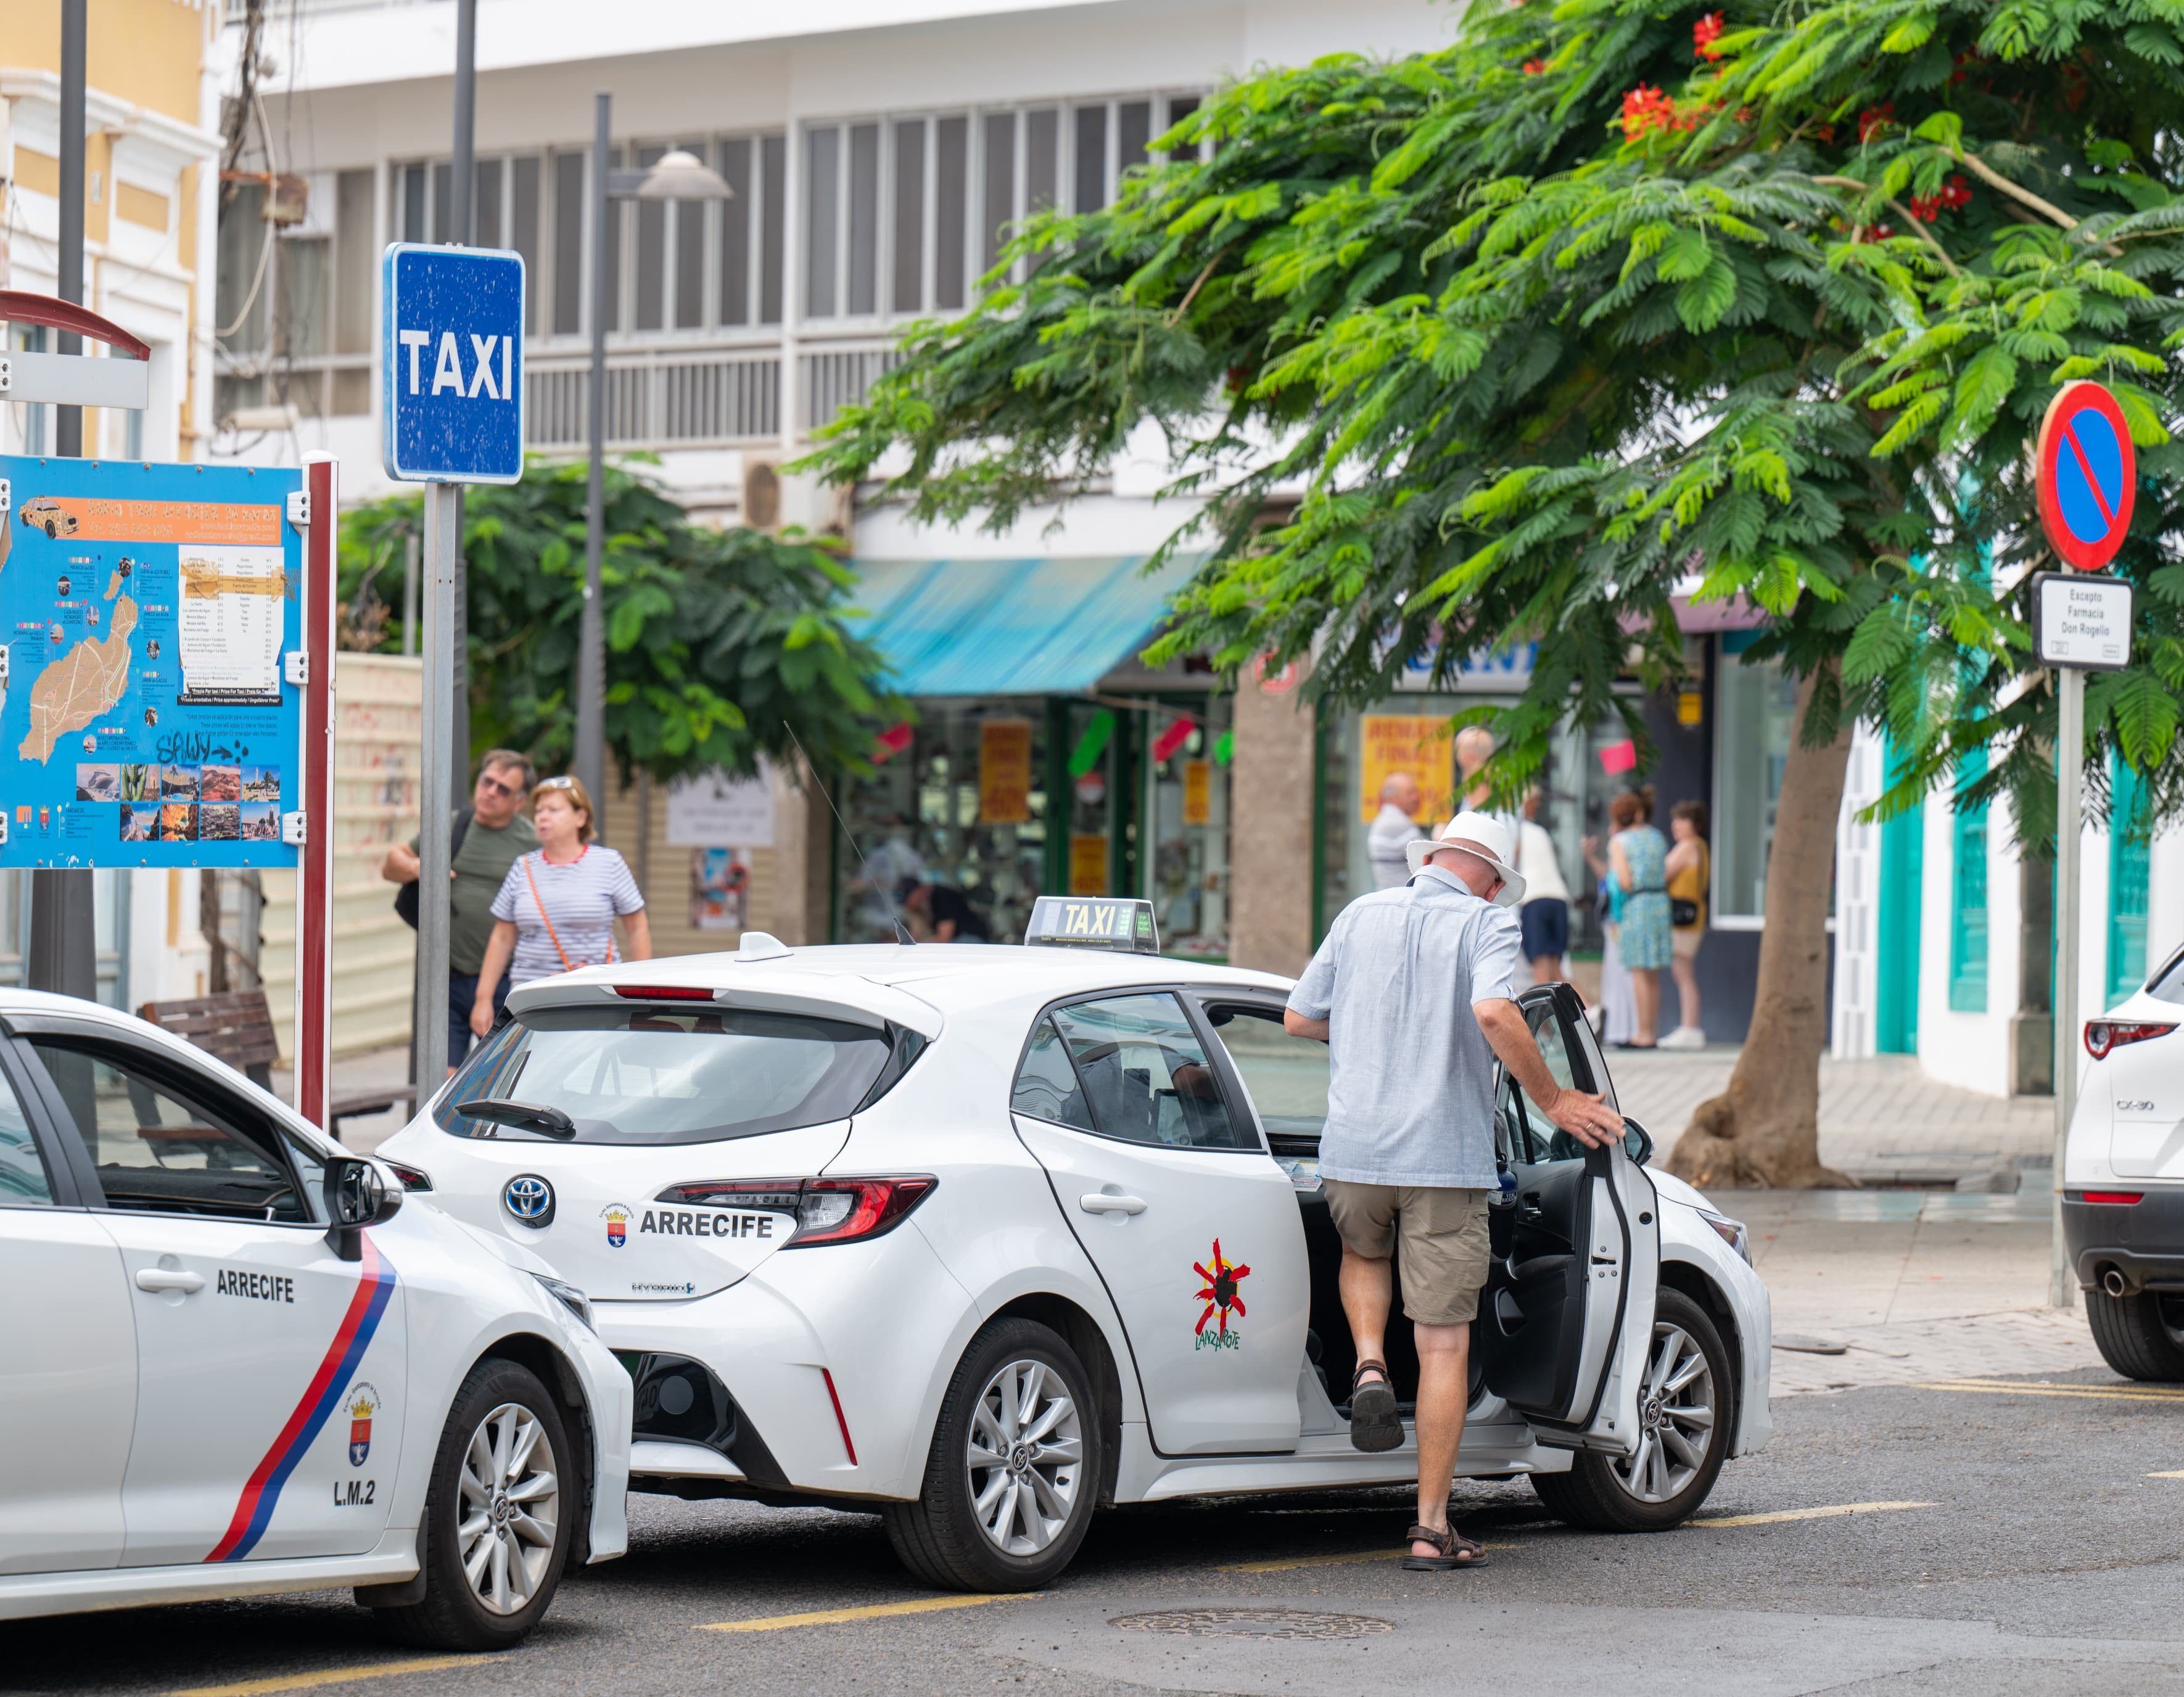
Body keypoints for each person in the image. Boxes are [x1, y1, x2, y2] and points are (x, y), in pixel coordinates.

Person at [1285, 811, 1623, 1570]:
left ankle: (1367, 1360)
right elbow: (1495, 1011)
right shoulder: (1486, 925)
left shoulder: (1359, 911)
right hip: (1440, 1154)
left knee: (1362, 1252)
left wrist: (1376, 1033)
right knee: (1441, 1340)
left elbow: (1299, 1016)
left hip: (1354, 1148)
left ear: (1431, 855)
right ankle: (1431, 1526)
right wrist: (1556, 1100)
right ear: (1496, 881)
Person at [381, 749, 538, 1070]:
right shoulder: (454, 825)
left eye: (503, 789)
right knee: (442, 1081)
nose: (491, 792)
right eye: (487, 782)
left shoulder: (530, 842)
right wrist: (418, 866)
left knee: (497, 1079)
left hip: (505, 983)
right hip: (447, 978)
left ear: (519, 802)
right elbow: (391, 864)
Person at [471, 775, 652, 1038]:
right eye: (540, 811)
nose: (543, 817)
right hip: (532, 995)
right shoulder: (523, 868)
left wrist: (642, 990)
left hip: (595, 992)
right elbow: (502, 937)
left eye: (554, 810)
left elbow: (637, 928)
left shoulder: (608, 863)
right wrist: (483, 998)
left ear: (580, 818)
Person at [1606, 787, 1671, 1048]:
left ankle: (1642, 1033)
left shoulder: (1620, 842)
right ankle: (1652, 1031)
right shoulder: (1657, 837)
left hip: (1636, 906)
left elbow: (1625, 881)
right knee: (1653, 973)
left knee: (1638, 972)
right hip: (1659, 902)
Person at [1660, 799, 1711, 1050]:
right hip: (1693, 916)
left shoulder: (1688, 846)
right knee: (1683, 971)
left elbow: (1662, 872)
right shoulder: (1700, 846)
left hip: (1683, 919)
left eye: (1682, 820)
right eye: (1675, 819)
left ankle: (1690, 1027)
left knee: (1683, 972)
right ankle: (1689, 1026)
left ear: (1695, 824)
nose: (1676, 825)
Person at [1514, 787, 1572, 985]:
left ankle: (1548, 1017)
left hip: (1534, 901)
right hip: (1559, 899)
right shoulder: (1541, 832)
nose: (1537, 805)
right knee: (1556, 973)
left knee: (1542, 977)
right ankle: (1589, 1010)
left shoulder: (1513, 831)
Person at [1365, 772, 1428, 889]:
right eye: (1410, 792)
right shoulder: (1399, 824)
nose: (1416, 797)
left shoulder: (1383, 820)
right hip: (1403, 899)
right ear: (1393, 798)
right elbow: (1429, 861)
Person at [902, 877, 992, 942]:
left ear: (918, 891)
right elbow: (916, 934)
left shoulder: (943, 898)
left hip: (970, 937)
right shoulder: (923, 904)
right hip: (956, 938)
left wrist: (918, 944)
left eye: (909, 899)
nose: (908, 905)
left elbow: (944, 938)